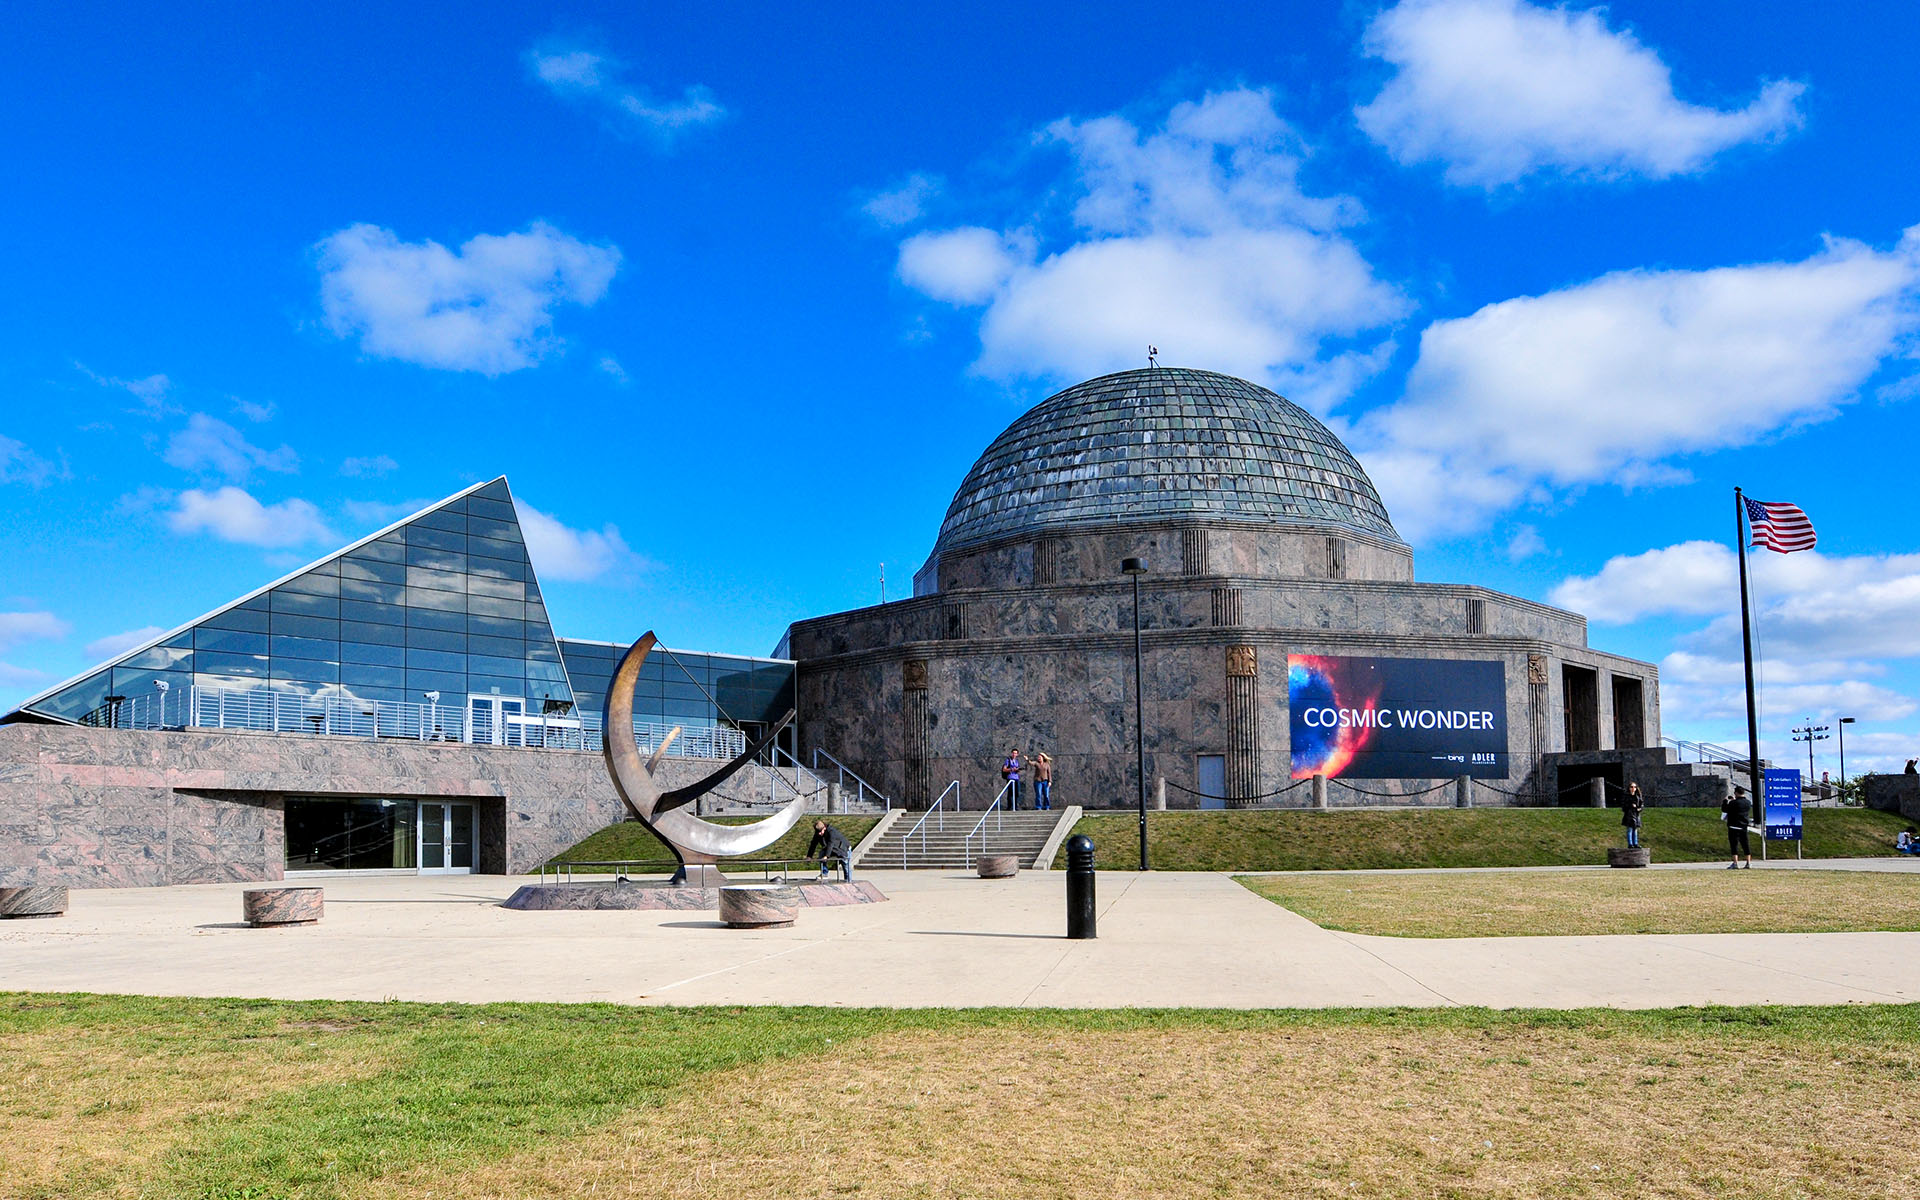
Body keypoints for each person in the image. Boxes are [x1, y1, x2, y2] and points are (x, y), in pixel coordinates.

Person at [1722, 785, 1754, 869]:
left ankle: (1735, 863)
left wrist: (1725, 801)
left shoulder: (1733, 803)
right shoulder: (1748, 802)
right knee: (1745, 844)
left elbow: (1725, 809)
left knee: (1734, 845)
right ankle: (1748, 862)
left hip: (1733, 826)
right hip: (1743, 826)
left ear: (1736, 793)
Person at [1622, 782, 1645, 849]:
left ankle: (1635, 843)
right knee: (1630, 829)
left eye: (1634, 787)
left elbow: (1641, 805)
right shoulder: (1626, 797)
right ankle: (1630, 844)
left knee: (1635, 830)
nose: (1633, 788)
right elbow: (1623, 806)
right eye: (1631, 787)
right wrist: (1630, 806)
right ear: (1629, 788)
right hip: (1629, 815)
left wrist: (1639, 808)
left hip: (1636, 815)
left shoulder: (1638, 797)